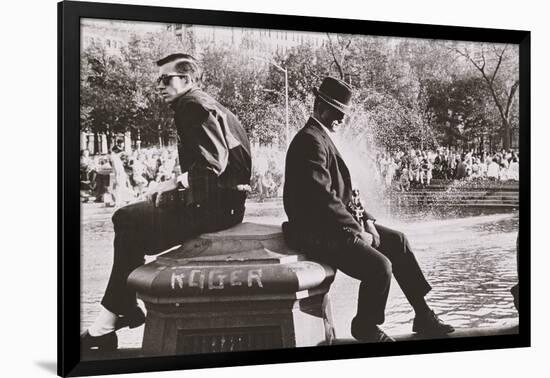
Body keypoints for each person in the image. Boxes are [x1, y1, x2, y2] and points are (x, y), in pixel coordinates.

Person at [81, 53, 252, 352]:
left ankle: (114, 316)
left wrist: (172, 182)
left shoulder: (190, 105)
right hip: (227, 204)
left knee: (126, 220)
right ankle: (113, 316)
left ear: (186, 80)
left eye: (166, 79)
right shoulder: (209, 103)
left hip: (215, 208)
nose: (159, 85)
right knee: (130, 224)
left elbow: (213, 163)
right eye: (158, 79)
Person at [282, 77, 454, 342]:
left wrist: (368, 221)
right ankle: (366, 325)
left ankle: (422, 314)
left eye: (344, 115)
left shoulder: (320, 137)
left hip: (334, 226)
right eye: (337, 113)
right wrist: (355, 230)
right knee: (380, 267)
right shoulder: (310, 141)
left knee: (398, 241)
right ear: (320, 107)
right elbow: (321, 198)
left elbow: (346, 192)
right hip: (319, 232)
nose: (342, 119)